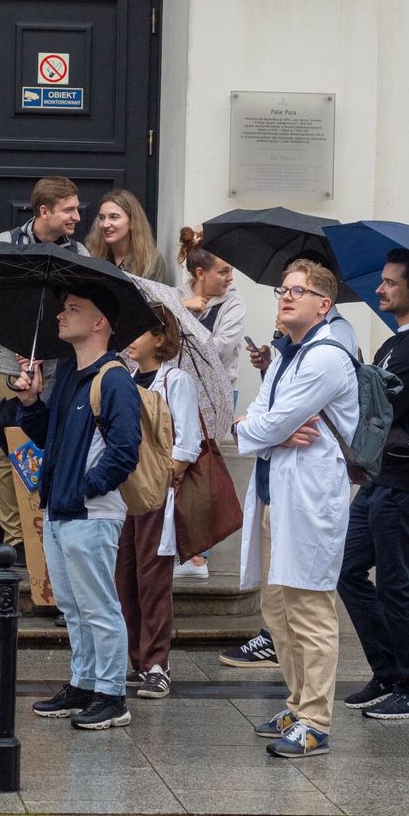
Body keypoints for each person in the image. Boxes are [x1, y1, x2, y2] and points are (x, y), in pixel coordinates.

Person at [234, 260, 358, 758]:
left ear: (323, 305)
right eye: (283, 289)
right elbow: (256, 420)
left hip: (309, 501)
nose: (285, 297)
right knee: (277, 609)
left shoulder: (327, 357)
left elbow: (263, 423)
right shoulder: (288, 352)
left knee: (309, 609)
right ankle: (297, 703)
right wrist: (269, 430)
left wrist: (265, 430)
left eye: (298, 291)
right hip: (273, 493)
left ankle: (316, 722)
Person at [17, 286, 140, 730]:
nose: (61, 316)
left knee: (98, 606)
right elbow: (49, 440)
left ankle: (112, 694)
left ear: (99, 322)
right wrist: (30, 402)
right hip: (59, 511)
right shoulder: (69, 372)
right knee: (71, 605)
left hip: (91, 513)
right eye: (63, 308)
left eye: (73, 309)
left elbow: (125, 451)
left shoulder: (115, 379)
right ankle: (84, 682)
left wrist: (83, 489)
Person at [337, 249, 409, 721]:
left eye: (389, 283)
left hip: (407, 480)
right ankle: (388, 674)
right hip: (382, 477)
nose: (379, 289)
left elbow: (382, 407)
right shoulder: (394, 342)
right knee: (347, 570)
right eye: (381, 280)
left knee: (396, 583)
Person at [0, 176, 89, 565]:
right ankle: (14, 539)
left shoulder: (78, 250)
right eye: (69, 210)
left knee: (50, 445)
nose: (77, 217)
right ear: (44, 211)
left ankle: (44, 531)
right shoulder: (5, 244)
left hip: (57, 364)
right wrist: (15, 345)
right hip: (7, 363)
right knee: (9, 449)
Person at [116, 304, 201, 699]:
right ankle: (134, 658)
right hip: (124, 491)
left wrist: (162, 476)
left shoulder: (175, 380)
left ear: (160, 339)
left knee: (153, 578)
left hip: (156, 492)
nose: (130, 338)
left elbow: (188, 442)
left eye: (139, 331)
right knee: (125, 575)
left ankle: (156, 664)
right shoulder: (127, 377)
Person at [175, 226, 245, 579]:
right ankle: (175, 549)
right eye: (224, 271)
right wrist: (179, 306)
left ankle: (198, 557)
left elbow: (219, 350)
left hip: (217, 394)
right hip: (176, 390)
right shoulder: (175, 295)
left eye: (230, 271)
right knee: (174, 467)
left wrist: (181, 316)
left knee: (202, 470)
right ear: (200, 273)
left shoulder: (233, 305)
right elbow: (160, 341)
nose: (230, 278)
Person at [85, 188, 167, 282]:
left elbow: (156, 296)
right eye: (102, 218)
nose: (105, 224)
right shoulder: (91, 254)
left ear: (132, 222)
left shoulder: (152, 260)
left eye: (114, 217)